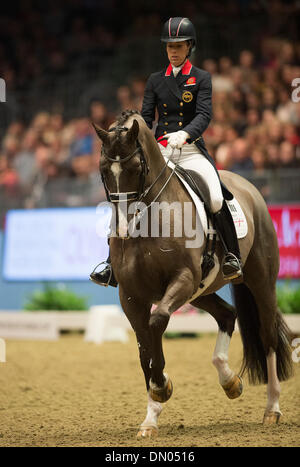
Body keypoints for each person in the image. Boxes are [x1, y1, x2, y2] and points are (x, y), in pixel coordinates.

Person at [90, 17, 242, 287]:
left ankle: (231, 256)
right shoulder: (155, 81)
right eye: (170, 46)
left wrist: (185, 134)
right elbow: (146, 119)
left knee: (216, 197)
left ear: (189, 47)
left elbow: (205, 114)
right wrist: (131, 138)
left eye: (179, 46)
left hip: (191, 150)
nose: (173, 51)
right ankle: (111, 264)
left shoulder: (201, 78)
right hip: (161, 152)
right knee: (128, 195)